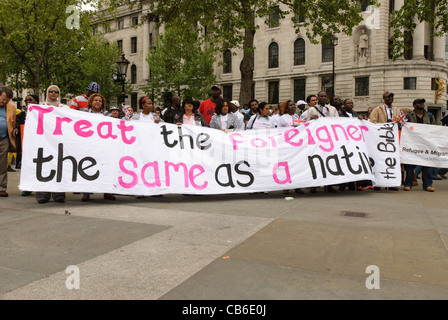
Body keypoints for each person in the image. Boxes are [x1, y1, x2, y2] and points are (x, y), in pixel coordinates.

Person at [81, 93, 116, 201]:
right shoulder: (83, 114)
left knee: (106, 168)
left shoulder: (107, 115)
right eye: (95, 100)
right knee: (88, 167)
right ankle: (86, 192)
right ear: (91, 102)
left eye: (100, 101)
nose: (97, 102)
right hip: (89, 146)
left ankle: (107, 191)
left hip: (104, 146)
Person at [35, 85, 67, 204]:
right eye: (51, 91)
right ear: (47, 93)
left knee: (59, 165)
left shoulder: (64, 107)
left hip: (58, 141)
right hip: (43, 141)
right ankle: (43, 193)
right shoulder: (40, 107)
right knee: (43, 165)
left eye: (56, 92)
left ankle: (58, 193)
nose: (54, 93)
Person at [304, 91, 339, 193]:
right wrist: (311, 119)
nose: (323, 98)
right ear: (318, 98)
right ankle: (314, 185)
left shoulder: (332, 109)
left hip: (329, 140)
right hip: (316, 140)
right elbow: (305, 124)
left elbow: (337, 122)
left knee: (329, 161)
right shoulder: (311, 110)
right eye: (321, 96)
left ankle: (329, 184)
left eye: (325, 96)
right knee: (316, 162)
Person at [369, 91, 401, 192]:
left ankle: (390, 183)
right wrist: (384, 125)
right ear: (384, 98)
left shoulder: (396, 110)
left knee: (390, 160)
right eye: (388, 97)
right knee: (379, 161)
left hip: (391, 139)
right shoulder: (377, 110)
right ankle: (378, 183)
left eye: (392, 97)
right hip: (380, 138)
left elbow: (400, 121)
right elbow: (373, 122)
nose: (390, 99)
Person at [403, 98, 436, 192]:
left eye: (422, 103)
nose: (421, 104)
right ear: (414, 105)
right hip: (412, 143)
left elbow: (434, 128)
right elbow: (404, 127)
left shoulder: (429, 116)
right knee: (410, 165)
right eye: (419, 103)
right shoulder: (409, 116)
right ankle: (408, 184)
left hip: (425, 144)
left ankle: (428, 185)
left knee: (426, 165)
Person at [278, 99, 304, 195]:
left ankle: (297, 186)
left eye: (294, 105)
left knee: (297, 166)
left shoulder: (299, 117)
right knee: (287, 167)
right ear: (286, 107)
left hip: (297, 145)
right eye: (290, 105)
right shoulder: (283, 118)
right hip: (286, 145)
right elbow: (279, 132)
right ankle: (286, 187)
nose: (293, 106)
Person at [0, 87, 18, 197]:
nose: (4, 102)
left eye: (6, 100)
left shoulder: (11, 106)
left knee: (2, 164)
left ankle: (2, 187)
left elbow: (13, 122)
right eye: (2, 99)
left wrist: (15, 128)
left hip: (4, 138)